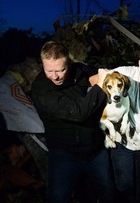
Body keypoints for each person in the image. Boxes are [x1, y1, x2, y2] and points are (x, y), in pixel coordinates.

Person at [31, 41, 116, 203]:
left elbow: (96, 74)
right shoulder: (41, 89)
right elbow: (77, 113)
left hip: (95, 150)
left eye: (60, 70)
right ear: (42, 64)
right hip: (64, 153)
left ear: (68, 63)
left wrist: (100, 77)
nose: (55, 76)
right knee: (57, 198)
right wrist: (101, 86)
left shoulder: (78, 69)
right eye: (49, 70)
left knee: (109, 193)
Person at [92, 48, 140, 203]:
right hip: (123, 140)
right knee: (123, 185)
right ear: (139, 64)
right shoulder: (125, 73)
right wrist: (103, 78)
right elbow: (92, 80)